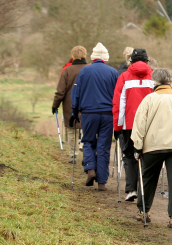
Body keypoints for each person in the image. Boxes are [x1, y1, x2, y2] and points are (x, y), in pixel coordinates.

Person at [131, 68, 172, 226]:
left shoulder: (149, 99)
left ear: (154, 81)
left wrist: (137, 146)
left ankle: (144, 211)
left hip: (153, 146)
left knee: (148, 177)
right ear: (170, 81)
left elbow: (139, 125)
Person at [70, 43, 119, 191]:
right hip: (107, 115)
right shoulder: (113, 72)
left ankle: (90, 169)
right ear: (106, 57)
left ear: (93, 57)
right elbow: (117, 95)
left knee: (88, 141)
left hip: (89, 113)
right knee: (103, 146)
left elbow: (76, 93)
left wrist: (74, 111)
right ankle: (102, 182)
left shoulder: (85, 71)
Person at [112, 48, 154, 203]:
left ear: (131, 61)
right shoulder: (154, 76)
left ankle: (131, 189)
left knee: (129, 155)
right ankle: (145, 191)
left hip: (129, 124)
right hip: (149, 124)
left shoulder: (124, 77)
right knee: (147, 155)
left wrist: (117, 127)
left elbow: (119, 104)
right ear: (147, 61)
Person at [52, 46, 87, 164]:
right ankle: (85, 149)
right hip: (87, 102)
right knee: (86, 127)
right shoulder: (90, 69)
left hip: (70, 104)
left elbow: (60, 91)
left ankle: (73, 154)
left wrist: (55, 105)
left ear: (72, 56)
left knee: (72, 130)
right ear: (85, 55)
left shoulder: (67, 70)